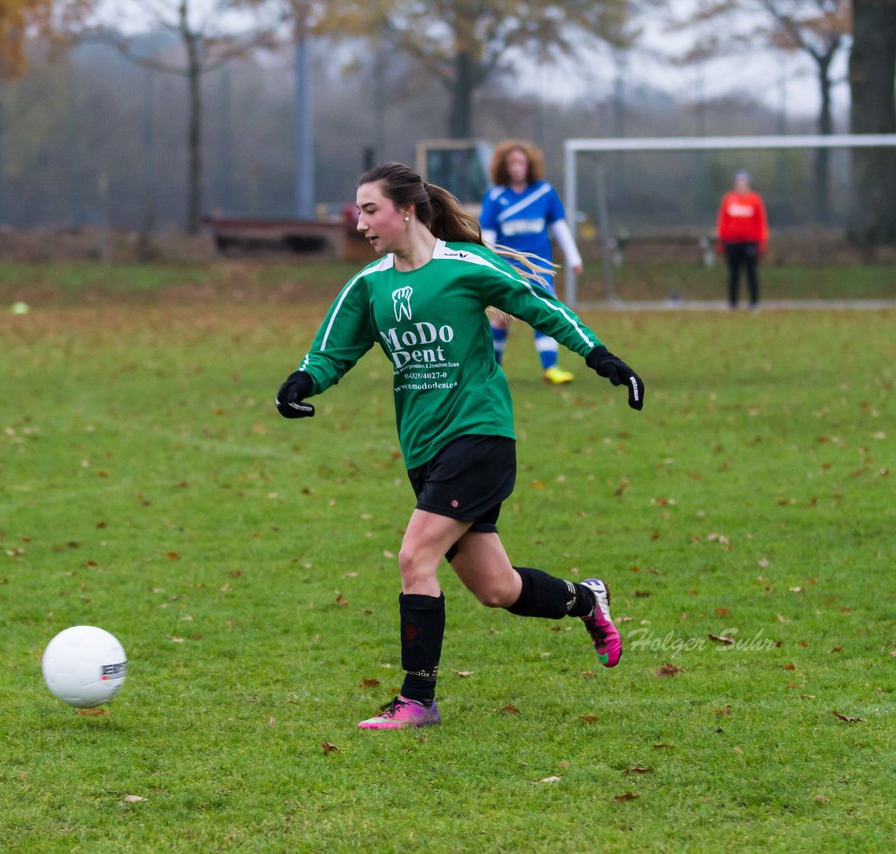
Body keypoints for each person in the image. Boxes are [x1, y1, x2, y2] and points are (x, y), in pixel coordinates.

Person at [275, 162, 644, 729]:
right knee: (498, 589)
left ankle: (417, 699)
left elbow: (541, 306)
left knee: (414, 557)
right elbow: (331, 351)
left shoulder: (466, 266)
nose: (360, 223)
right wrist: (302, 382)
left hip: (479, 435)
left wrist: (601, 358)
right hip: (424, 450)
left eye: (370, 210)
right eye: (358, 211)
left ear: (406, 209)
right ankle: (586, 599)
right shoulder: (370, 284)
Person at [478, 139, 584, 384]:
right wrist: (487, 264)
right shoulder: (494, 197)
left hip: (538, 268)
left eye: (521, 162)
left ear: (529, 165)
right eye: (511, 163)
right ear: (503, 167)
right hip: (506, 267)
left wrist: (574, 258)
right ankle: (493, 370)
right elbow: (488, 236)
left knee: (545, 313)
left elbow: (559, 227)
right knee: (500, 318)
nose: (517, 167)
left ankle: (551, 369)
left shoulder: (544, 192)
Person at [715, 169, 768, 311]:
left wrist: (761, 241)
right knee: (733, 274)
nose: (741, 185)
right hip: (732, 243)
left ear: (749, 184)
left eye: (744, 182)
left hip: (749, 243)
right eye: (739, 182)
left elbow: (761, 222)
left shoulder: (755, 200)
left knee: (751, 273)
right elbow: (723, 220)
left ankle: (754, 303)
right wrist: (721, 240)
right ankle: (733, 303)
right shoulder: (728, 199)